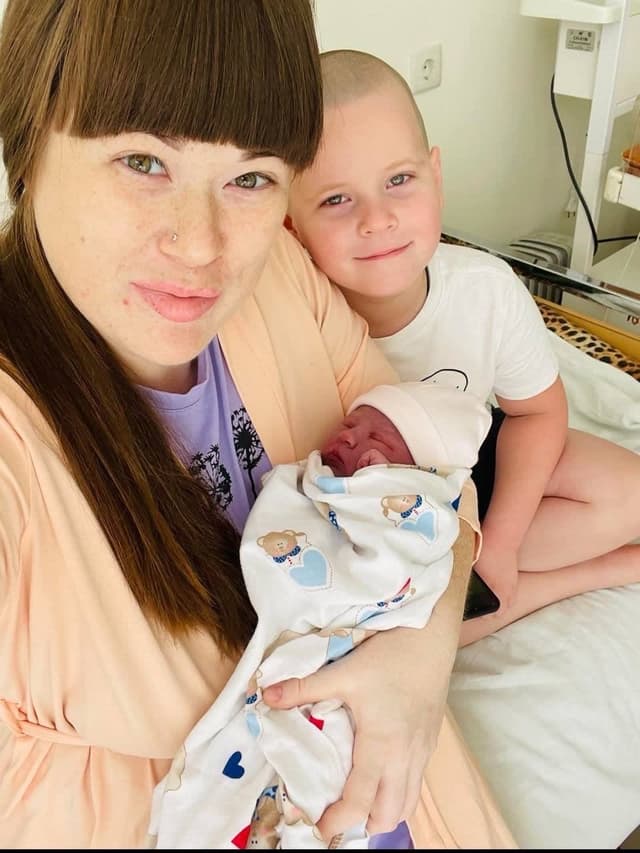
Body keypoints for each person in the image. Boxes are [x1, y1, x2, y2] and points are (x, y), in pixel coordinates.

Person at [0, 2, 517, 849]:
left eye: (251, 178)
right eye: (143, 161)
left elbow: (431, 477)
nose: (203, 246)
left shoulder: (279, 275)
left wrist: (423, 661)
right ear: (27, 139)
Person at [286, 48, 640, 647]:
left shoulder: (485, 290)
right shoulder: (296, 317)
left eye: (399, 180)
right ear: (289, 224)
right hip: (367, 508)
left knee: (627, 491)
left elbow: (538, 412)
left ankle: (491, 575)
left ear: (435, 174)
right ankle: (589, 574)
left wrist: (498, 542)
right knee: (393, 631)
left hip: (472, 460)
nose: (378, 219)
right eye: (336, 200)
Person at [147, 382, 491, 849]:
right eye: (349, 425)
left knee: (324, 771)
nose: (348, 437)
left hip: (354, 680)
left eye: (377, 439)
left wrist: (422, 657)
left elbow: (451, 498)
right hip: (303, 668)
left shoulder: (404, 491)